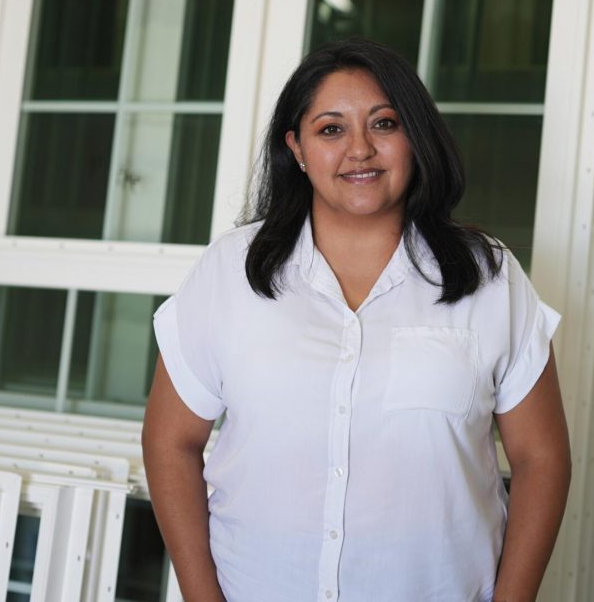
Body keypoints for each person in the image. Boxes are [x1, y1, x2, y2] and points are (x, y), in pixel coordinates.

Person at [142, 38, 571, 602]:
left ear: (415, 137)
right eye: (331, 129)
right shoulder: (230, 270)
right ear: (296, 147)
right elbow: (170, 439)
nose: (360, 150)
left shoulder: (489, 276)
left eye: (385, 123)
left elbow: (542, 458)